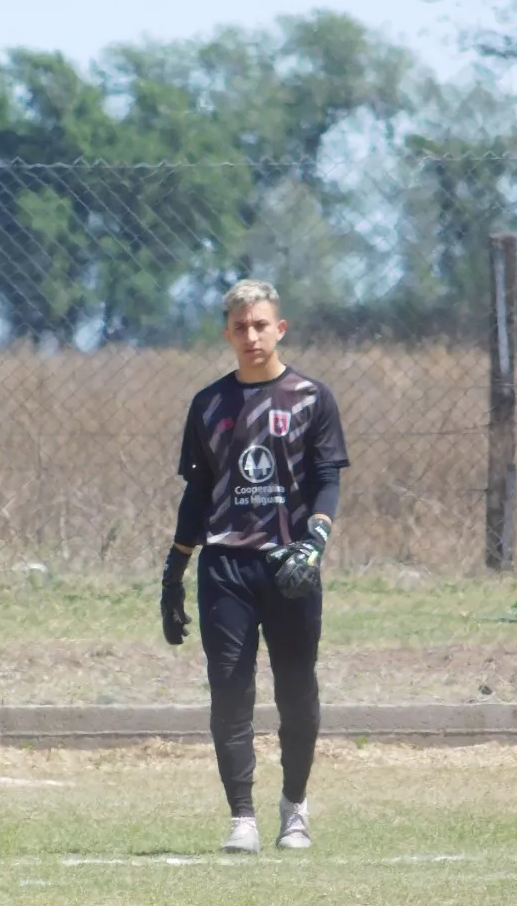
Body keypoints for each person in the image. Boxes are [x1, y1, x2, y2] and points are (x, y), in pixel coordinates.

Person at [159, 278, 350, 854]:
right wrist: (174, 571)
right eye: (240, 326)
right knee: (229, 691)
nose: (251, 335)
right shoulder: (208, 404)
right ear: (227, 333)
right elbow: (197, 494)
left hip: (291, 566)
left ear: (280, 328)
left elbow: (327, 480)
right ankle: (242, 817)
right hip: (225, 568)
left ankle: (295, 809)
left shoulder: (312, 398)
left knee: (296, 692)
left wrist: (315, 543)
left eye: (261, 324)